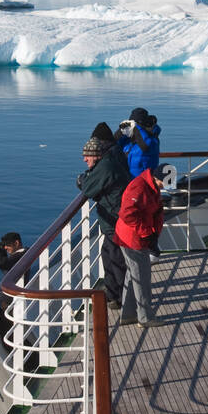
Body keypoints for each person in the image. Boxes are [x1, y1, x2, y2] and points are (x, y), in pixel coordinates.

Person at [77, 133, 132, 309]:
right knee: (109, 256)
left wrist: (83, 180)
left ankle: (125, 300)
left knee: (116, 260)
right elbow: (92, 183)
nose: (85, 159)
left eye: (87, 155)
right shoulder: (106, 163)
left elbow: (87, 188)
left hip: (116, 222)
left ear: (97, 155)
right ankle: (114, 295)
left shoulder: (106, 167)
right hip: (115, 221)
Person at [113, 167, 166, 328]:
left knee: (133, 274)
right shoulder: (139, 187)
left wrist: (152, 235)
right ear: (157, 178)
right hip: (132, 238)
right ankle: (145, 317)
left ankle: (128, 315)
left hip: (134, 236)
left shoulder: (151, 186)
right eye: (164, 183)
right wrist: (146, 233)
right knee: (142, 277)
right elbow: (127, 213)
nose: (165, 187)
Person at [118, 108, 161, 178]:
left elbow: (145, 146)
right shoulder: (129, 139)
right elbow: (114, 144)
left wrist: (136, 128)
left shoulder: (152, 140)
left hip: (145, 181)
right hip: (128, 181)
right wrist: (121, 130)